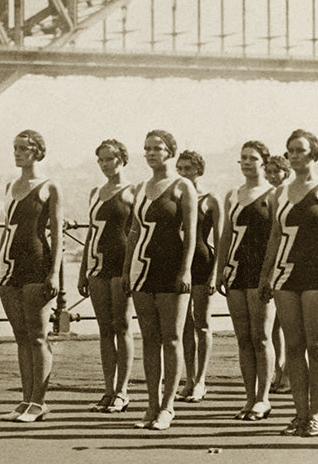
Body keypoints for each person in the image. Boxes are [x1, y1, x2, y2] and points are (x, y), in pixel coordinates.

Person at [260, 129, 318, 437]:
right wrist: (266, 274)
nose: (295, 156)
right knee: (294, 347)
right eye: (291, 151)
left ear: (313, 154)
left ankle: (316, 415)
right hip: (285, 274)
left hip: (316, 274)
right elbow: (274, 237)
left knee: (317, 345)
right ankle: (300, 413)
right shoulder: (278, 193)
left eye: (300, 151)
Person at [125, 130, 197, 430]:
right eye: (147, 149)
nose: (151, 153)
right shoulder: (141, 187)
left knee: (172, 338)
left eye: (157, 148)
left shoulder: (183, 187)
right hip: (143, 270)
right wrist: (128, 270)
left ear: (170, 152)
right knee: (149, 339)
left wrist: (185, 270)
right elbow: (134, 232)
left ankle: (167, 407)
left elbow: (191, 234)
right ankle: (151, 405)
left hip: (172, 270)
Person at [0, 130, 62, 423]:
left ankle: (39, 401)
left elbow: (57, 233)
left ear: (36, 151)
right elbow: (7, 228)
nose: (17, 153)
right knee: (20, 335)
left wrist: (54, 272)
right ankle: (25, 398)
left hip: (37, 262)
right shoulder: (10, 185)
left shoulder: (49, 187)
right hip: (10, 264)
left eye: (23, 149)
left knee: (37, 336)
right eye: (15, 148)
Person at [218, 141, 276, 421]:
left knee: (261, 336)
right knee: (243, 338)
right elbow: (226, 235)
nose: (247, 162)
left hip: (262, 272)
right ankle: (249, 396)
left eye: (253, 158)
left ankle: (263, 398)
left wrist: (270, 274)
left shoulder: (274, 194)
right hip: (236, 270)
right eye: (242, 158)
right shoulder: (232, 194)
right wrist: (220, 270)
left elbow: (279, 236)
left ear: (264, 162)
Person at [77, 139, 135, 414]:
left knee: (122, 326)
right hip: (97, 265)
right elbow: (90, 233)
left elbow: (137, 234)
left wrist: (131, 270)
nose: (104, 165)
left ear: (122, 158)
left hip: (122, 263)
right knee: (104, 329)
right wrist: (82, 271)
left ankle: (123, 391)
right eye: (100, 160)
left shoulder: (133, 191)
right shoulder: (95, 192)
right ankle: (108, 389)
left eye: (109, 159)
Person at [176, 150, 222, 403]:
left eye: (189, 168)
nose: (184, 173)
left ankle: (202, 380)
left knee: (202, 323)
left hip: (203, 263)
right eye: (180, 168)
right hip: (178, 264)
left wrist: (216, 274)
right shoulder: (175, 196)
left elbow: (219, 239)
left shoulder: (210, 199)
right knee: (184, 325)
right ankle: (190, 378)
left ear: (198, 170)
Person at [263, 154, 292, 394]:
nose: (272, 176)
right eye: (269, 172)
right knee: (274, 325)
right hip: (272, 261)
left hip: (287, 262)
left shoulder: (286, 193)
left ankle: (288, 373)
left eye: (277, 172)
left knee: (286, 322)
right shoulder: (273, 195)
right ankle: (280, 368)